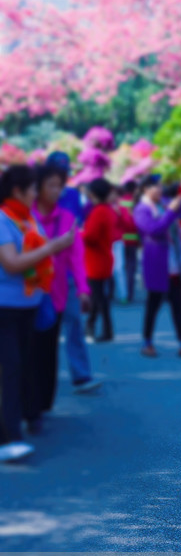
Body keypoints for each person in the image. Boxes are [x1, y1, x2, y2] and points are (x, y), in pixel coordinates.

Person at [0, 165, 74, 462]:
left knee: (23, 367)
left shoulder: (27, 220)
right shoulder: (4, 219)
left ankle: (21, 424)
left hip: (29, 306)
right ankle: (9, 437)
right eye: (32, 189)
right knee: (11, 369)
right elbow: (12, 263)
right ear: (17, 191)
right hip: (5, 309)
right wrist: (54, 246)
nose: (36, 194)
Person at [32, 164, 99, 426]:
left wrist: (83, 289)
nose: (56, 190)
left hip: (57, 292)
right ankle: (30, 406)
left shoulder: (67, 218)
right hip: (28, 293)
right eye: (51, 185)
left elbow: (76, 257)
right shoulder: (26, 216)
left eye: (60, 185)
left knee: (48, 349)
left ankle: (42, 404)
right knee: (29, 351)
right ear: (37, 187)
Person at [134, 176, 181, 359]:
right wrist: (171, 212)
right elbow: (154, 230)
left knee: (178, 306)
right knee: (153, 306)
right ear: (145, 189)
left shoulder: (162, 204)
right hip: (157, 265)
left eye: (159, 186)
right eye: (155, 187)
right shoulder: (142, 209)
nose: (159, 189)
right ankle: (147, 342)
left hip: (172, 266)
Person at [83, 178, 115, 342]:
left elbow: (90, 236)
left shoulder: (98, 211)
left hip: (95, 259)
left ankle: (105, 330)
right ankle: (91, 325)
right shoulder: (108, 210)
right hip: (104, 257)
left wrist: (78, 233)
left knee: (99, 297)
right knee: (98, 296)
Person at [119, 181, 140, 302]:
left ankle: (121, 293)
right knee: (131, 268)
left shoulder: (118, 202)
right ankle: (130, 293)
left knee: (120, 268)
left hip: (121, 240)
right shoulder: (137, 201)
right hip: (133, 240)